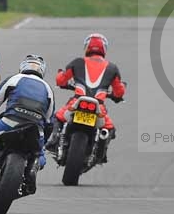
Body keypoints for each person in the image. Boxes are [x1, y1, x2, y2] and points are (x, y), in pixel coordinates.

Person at [0, 55, 54, 193]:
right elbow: (49, 122)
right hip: (35, 128)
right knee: (40, 156)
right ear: (42, 71)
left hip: (11, 121)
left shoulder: (15, 78)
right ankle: (32, 168)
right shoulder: (48, 89)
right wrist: (42, 142)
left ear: (23, 67)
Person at [45, 33, 126, 163]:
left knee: (57, 118)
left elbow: (61, 80)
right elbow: (119, 91)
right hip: (98, 106)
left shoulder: (78, 62)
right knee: (109, 128)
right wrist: (117, 95)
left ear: (87, 47)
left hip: (77, 101)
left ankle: (53, 140)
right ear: (104, 48)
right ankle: (101, 153)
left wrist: (61, 76)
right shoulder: (112, 68)